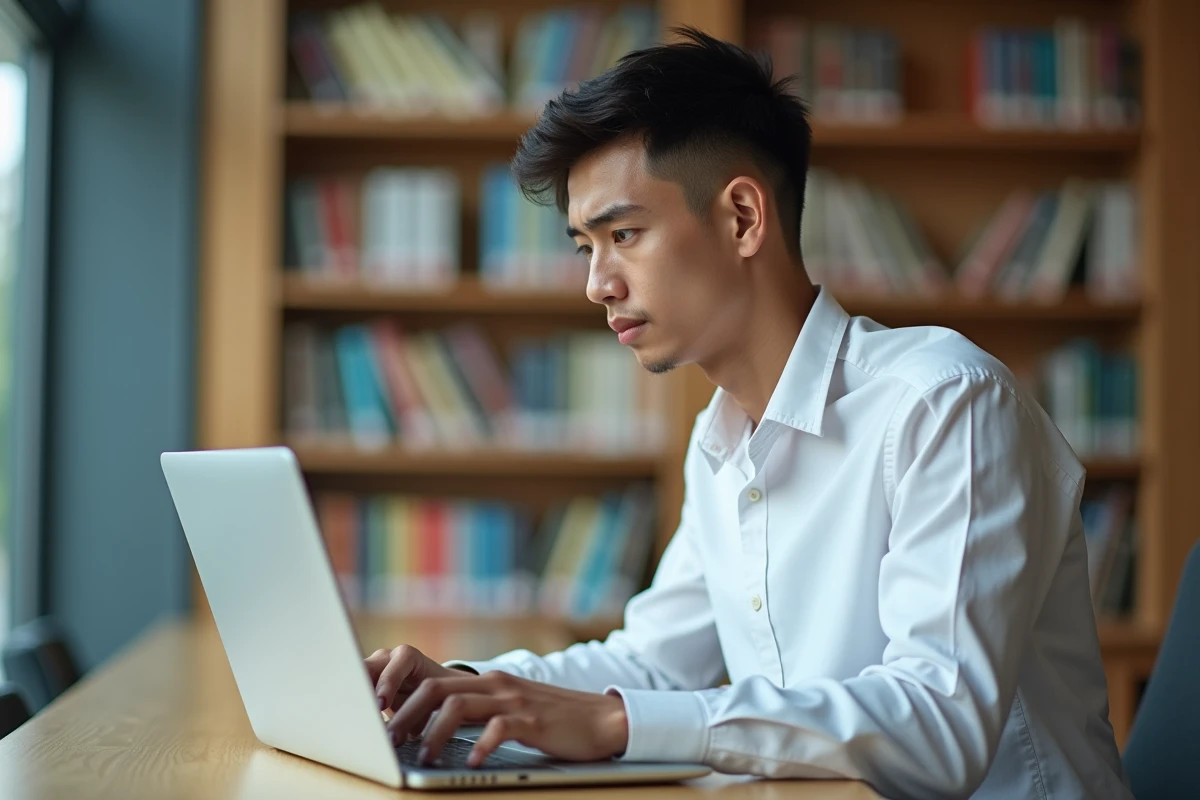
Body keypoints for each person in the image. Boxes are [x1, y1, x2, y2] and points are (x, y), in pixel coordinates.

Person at [365, 28, 1131, 799]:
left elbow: (939, 724)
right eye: (584, 248)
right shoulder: (721, 435)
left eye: (623, 235)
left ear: (741, 218)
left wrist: (619, 723)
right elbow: (659, 662)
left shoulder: (945, 404)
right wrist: (462, 686)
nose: (597, 284)